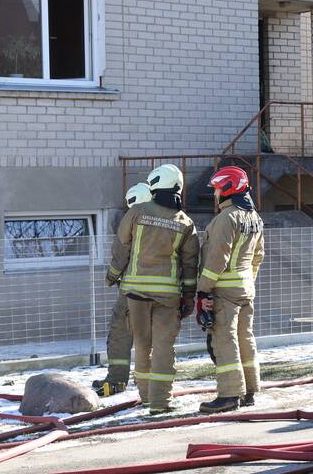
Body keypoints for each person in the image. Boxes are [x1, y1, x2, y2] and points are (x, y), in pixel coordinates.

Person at [107, 164, 199, 413]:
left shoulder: (137, 212)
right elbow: (190, 265)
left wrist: (112, 275)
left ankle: (146, 397)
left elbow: (121, 247)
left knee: (143, 347)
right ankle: (160, 403)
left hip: (135, 295)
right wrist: (189, 298)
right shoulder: (185, 222)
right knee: (163, 349)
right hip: (168, 297)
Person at [195, 166, 266, 413]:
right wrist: (248, 283)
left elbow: (217, 258)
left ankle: (228, 395)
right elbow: (258, 257)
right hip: (246, 289)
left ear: (226, 188)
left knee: (225, 340)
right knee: (246, 338)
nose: (215, 194)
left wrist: (203, 290)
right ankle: (249, 391)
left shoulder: (226, 218)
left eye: (216, 189)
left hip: (224, 291)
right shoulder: (255, 217)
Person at [94, 182, 152, 397]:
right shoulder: (169, 219)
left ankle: (117, 380)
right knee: (152, 336)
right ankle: (149, 380)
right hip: (165, 292)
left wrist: (111, 276)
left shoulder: (132, 221)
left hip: (132, 291)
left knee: (120, 333)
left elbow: (121, 254)